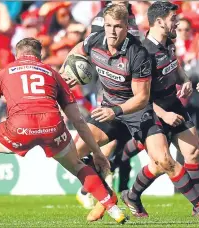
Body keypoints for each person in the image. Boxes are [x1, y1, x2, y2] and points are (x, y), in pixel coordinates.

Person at [0, 38, 126, 224]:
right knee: (78, 166)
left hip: (19, 128)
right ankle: (113, 208)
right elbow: (78, 120)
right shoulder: (53, 74)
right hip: (53, 128)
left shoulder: (4, 72)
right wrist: (96, 152)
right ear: (40, 56)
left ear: (17, 54)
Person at [60, 4, 199, 221]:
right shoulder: (95, 41)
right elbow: (78, 50)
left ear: (127, 26)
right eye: (108, 26)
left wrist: (115, 110)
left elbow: (142, 98)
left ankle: (196, 204)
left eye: (117, 26)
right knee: (72, 155)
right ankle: (107, 195)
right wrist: (65, 71)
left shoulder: (138, 53)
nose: (112, 31)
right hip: (109, 110)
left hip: (138, 112)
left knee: (164, 161)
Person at [120, 1, 199, 217]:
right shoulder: (142, 52)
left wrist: (184, 80)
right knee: (162, 161)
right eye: (173, 19)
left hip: (172, 103)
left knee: (193, 152)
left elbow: (175, 65)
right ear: (158, 21)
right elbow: (137, 94)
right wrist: (163, 114)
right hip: (150, 111)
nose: (177, 22)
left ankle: (132, 196)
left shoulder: (169, 42)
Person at [76, 0, 140, 210]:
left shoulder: (132, 19)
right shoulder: (102, 20)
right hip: (106, 90)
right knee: (107, 146)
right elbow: (91, 48)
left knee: (117, 150)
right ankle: (93, 188)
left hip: (132, 96)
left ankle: (104, 190)